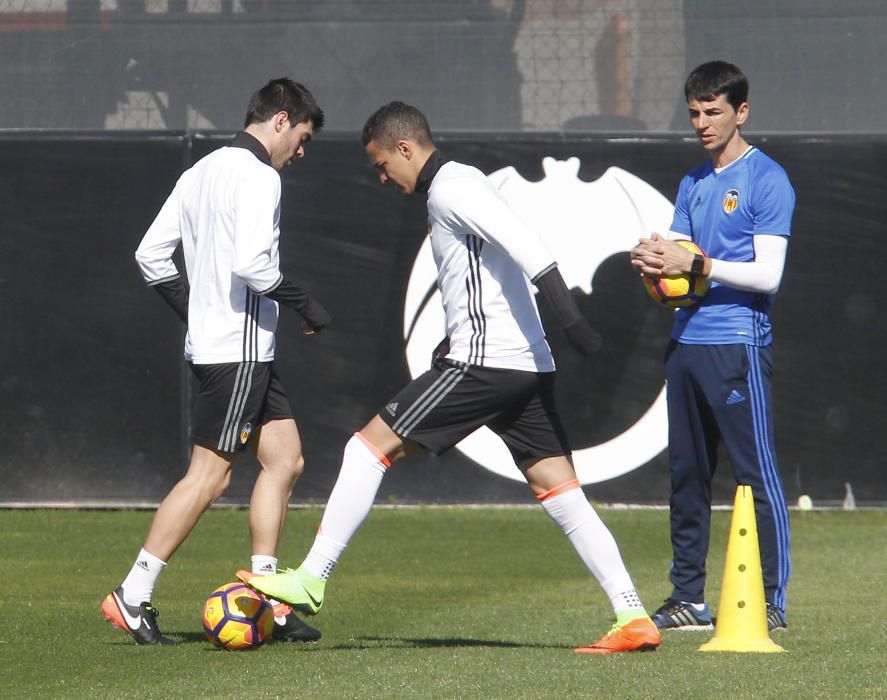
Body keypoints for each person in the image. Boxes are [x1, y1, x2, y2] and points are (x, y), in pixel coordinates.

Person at [239, 101, 661, 655]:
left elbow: (525, 242)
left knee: (366, 450)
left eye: (382, 164)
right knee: (560, 492)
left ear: (406, 148)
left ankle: (311, 579)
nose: (383, 178)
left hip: (486, 363)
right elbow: (481, 281)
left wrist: (573, 321)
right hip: (521, 366)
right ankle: (632, 615)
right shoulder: (458, 188)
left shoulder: (451, 188)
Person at [100, 77, 331, 645]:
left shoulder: (199, 171)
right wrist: (306, 304)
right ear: (280, 120)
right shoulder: (259, 177)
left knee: (287, 460)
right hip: (239, 354)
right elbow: (255, 264)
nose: (300, 152)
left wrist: (199, 312)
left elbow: (150, 254)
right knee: (211, 475)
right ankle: (133, 594)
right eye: (301, 138)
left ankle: (270, 600)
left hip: (233, 349)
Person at [630, 61, 794, 632]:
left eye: (713, 111)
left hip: (737, 345)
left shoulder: (767, 179)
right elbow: (678, 264)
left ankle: (771, 598)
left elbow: (767, 275)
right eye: (695, 112)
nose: (701, 122)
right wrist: (655, 263)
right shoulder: (692, 183)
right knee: (686, 477)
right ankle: (688, 598)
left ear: (740, 112)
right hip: (686, 343)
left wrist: (696, 262)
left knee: (756, 474)